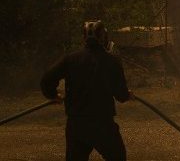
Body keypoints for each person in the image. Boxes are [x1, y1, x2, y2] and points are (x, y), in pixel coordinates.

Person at [40, 20, 133, 161]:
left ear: (84, 38)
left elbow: (46, 79)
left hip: (77, 125)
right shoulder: (112, 61)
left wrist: (53, 95)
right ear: (103, 38)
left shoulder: (71, 59)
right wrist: (127, 95)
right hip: (103, 124)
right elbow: (120, 94)